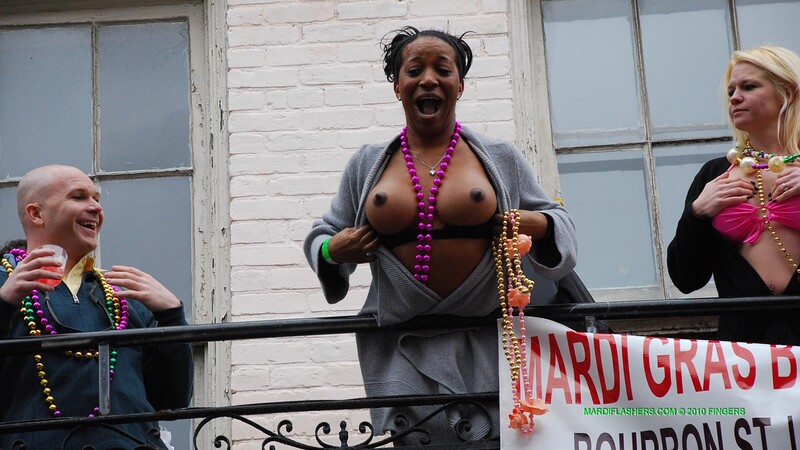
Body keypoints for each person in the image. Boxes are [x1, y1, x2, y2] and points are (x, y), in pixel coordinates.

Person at [304, 26, 577, 444]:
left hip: (489, 342)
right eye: (414, 70)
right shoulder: (367, 163)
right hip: (403, 346)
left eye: (443, 70)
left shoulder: (499, 156)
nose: (428, 79)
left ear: (459, 85)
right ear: (398, 86)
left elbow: (559, 222)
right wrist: (332, 250)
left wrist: (534, 224)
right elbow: (322, 235)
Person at [0, 165, 193, 449]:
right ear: (36, 213)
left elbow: (172, 398)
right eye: (78, 197)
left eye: (97, 199)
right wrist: (4, 303)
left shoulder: (125, 297)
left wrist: (172, 316)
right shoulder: (5, 283)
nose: (95, 208)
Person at [668, 45, 800, 344]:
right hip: (744, 357)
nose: (735, 98)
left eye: (749, 87)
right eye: (731, 91)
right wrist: (696, 214)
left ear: (788, 93)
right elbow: (686, 279)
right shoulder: (715, 175)